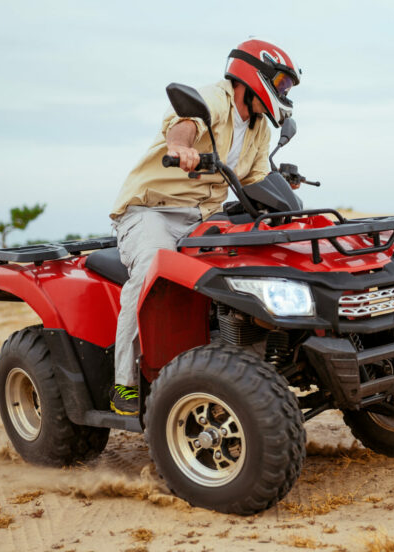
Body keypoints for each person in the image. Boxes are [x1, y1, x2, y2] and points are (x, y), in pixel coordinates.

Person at [107, 38, 301, 416]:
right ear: (252, 76)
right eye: (281, 84)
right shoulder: (211, 99)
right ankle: (125, 385)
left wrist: (282, 189)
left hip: (202, 217)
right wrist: (181, 149)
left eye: (288, 88)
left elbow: (256, 176)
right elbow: (183, 126)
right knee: (149, 270)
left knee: (252, 263)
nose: (284, 92)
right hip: (152, 211)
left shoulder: (260, 126)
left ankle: (247, 370)